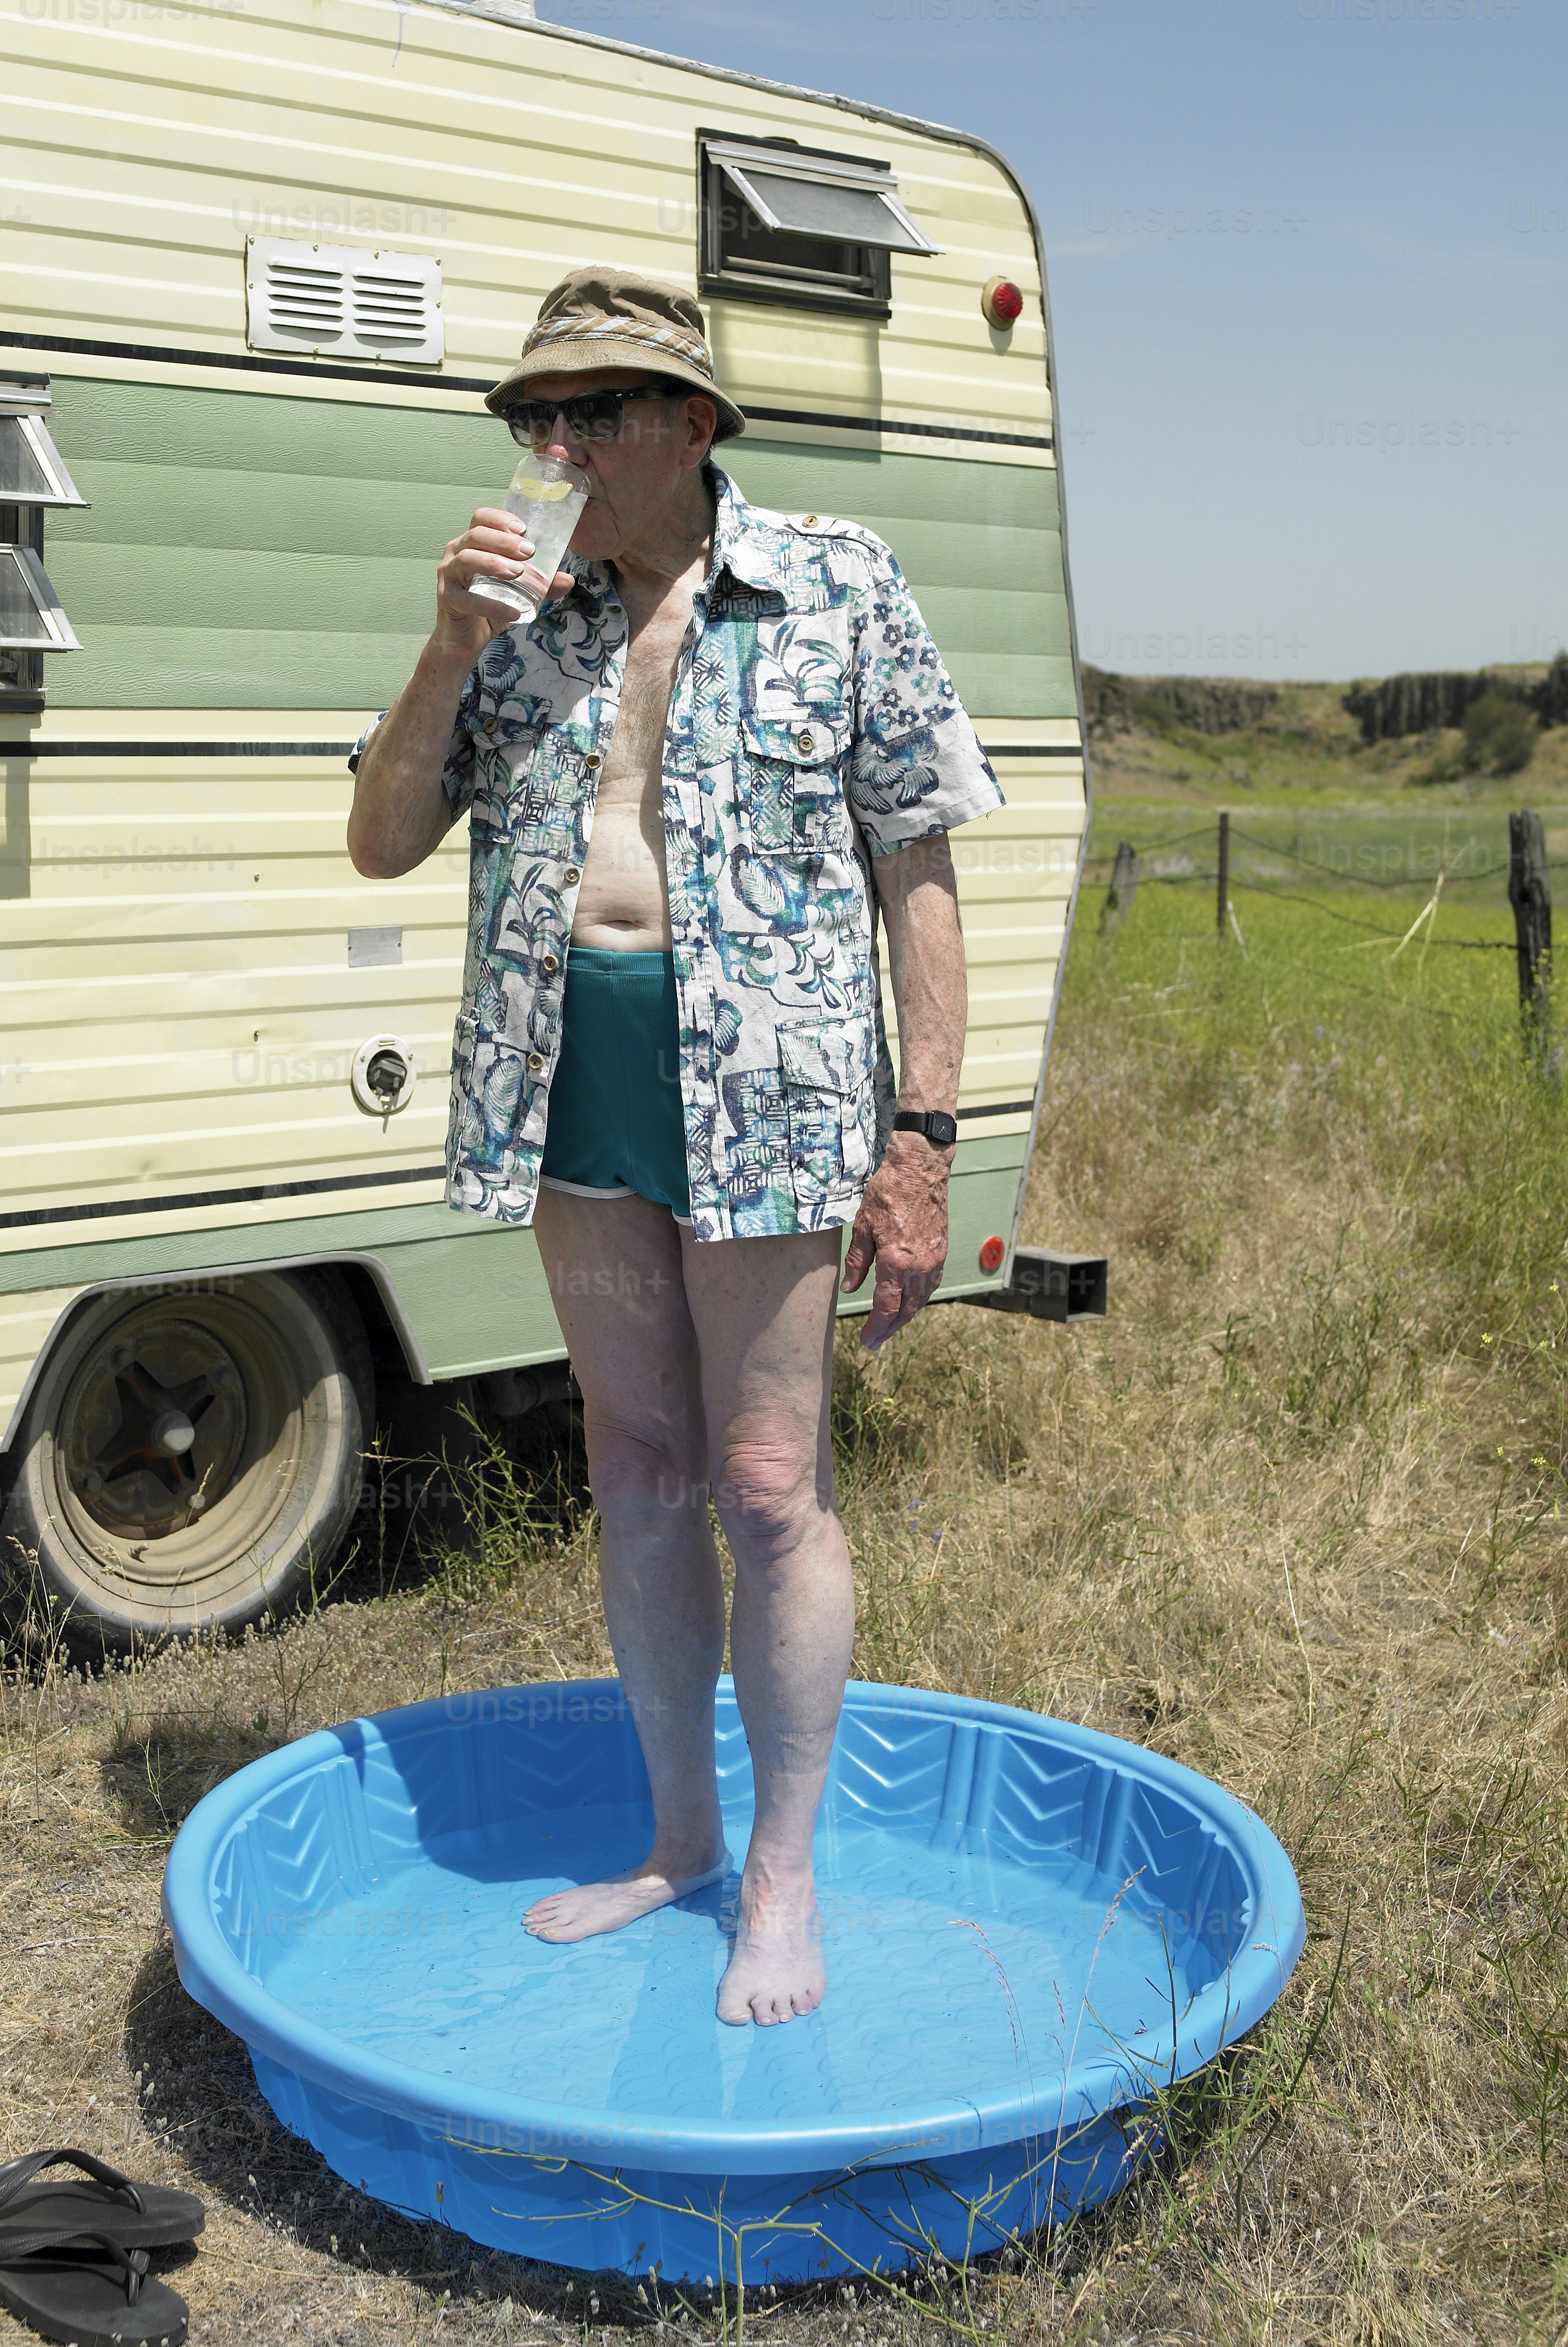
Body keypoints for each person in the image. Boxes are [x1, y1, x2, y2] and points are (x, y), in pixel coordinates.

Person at [347, 265, 1001, 2026]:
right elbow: (380, 842)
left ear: (690, 424)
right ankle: (678, 1839)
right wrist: (443, 650)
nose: (551, 446)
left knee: (771, 1486)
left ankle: (782, 1879)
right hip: (574, 1089)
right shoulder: (521, 614)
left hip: (780, 1096)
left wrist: (924, 1140)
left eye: (588, 415)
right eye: (532, 417)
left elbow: (918, 873)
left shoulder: (838, 585)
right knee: (636, 1470)